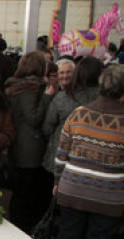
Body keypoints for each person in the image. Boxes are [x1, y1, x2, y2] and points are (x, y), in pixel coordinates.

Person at [53, 65, 124, 239]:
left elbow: (62, 153)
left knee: (68, 234)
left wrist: (57, 180)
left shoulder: (79, 114)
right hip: (108, 196)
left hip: (72, 189)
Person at [5, 51, 54, 234]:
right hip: (29, 148)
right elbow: (33, 118)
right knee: (25, 191)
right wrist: (48, 97)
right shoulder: (28, 89)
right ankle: (22, 229)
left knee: (22, 190)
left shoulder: (15, 86)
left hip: (21, 145)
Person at [42, 57, 102, 174]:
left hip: (61, 153)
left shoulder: (63, 97)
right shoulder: (108, 99)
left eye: (68, 72)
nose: (65, 75)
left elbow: (47, 128)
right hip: (94, 159)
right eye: (62, 72)